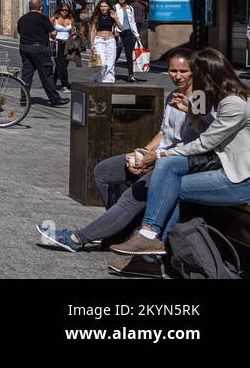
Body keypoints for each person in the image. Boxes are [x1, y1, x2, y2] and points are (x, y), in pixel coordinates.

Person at [37, 48, 206, 268]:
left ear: (194, 72)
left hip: (175, 163)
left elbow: (202, 139)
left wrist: (155, 157)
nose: (178, 76)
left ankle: (77, 238)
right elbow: (164, 133)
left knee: (133, 195)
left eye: (183, 71)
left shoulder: (199, 97)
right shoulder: (172, 95)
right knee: (103, 171)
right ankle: (119, 231)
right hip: (156, 155)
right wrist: (141, 153)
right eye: (173, 70)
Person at [110, 49, 250, 260]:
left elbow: (205, 143)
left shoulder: (234, 104)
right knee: (169, 173)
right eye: (173, 70)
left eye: (192, 73)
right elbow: (205, 134)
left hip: (239, 180)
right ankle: (149, 244)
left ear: (207, 75)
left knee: (169, 179)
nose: (185, 78)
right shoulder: (222, 98)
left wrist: (158, 156)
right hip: (223, 168)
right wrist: (191, 113)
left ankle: (149, 250)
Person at [16, 0, 66, 106]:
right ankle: (55, 99)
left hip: (24, 48)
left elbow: (20, 31)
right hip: (39, 49)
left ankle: (24, 99)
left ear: (29, 7)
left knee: (26, 74)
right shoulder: (43, 18)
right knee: (46, 74)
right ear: (41, 7)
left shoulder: (22, 19)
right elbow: (53, 33)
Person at [88, 0, 120, 84]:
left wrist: (116, 18)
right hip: (99, 40)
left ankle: (108, 83)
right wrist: (91, 44)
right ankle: (98, 81)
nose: (103, 8)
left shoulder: (112, 16)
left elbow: (121, 28)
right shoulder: (96, 17)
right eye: (101, 6)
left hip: (110, 40)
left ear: (109, 7)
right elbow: (93, 31)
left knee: (110, 64)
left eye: (105, 6)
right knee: (100, 63)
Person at [113, 0, 141, 84]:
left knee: (129, 55)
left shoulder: (130, 8)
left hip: (128, 33)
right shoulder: (115, 7)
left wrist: (137, 35)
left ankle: (130, 75)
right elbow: (113, 21)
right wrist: (114, 31)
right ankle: (110, 73)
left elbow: (132, 22)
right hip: (119, 33)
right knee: (116, 54)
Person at [51, 3, 76, 90]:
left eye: (66, 10)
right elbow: (48, 29)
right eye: (63, 10)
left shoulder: (71, 19)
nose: (65, 11)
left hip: (67, 43)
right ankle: (65, 84)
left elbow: (72, 31)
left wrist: (73, 36)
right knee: (61, 64)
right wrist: (52, 34)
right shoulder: (54, 18)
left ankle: (52, 81)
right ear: (59, 10)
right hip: (57, 43)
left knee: (64, 64)